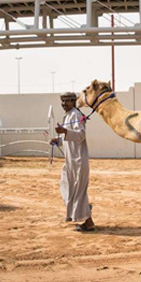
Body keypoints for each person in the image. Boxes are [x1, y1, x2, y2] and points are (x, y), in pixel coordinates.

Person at [50, 92, 94, 232]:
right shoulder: (68, 115)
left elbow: (80, 135)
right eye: (62, 101)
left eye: (67, 101)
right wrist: (58, 140)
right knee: (67, 188)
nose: (64, 104)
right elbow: (69, 137)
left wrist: (64, 131)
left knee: (78, 191)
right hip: (70, 160)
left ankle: (88, 221)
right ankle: (84, 210)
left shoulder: (76, 114)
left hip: (78, 160)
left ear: (74, 101)